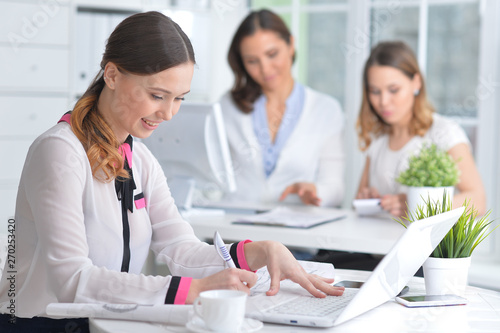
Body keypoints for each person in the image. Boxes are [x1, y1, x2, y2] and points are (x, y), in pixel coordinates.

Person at [0, 12, 344, 332]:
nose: (168, 113)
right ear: (112, 74)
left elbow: (181, 249)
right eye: (157, 95)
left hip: (109, 324)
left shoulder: (142, 160)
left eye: (179, 98)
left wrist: (259, 251)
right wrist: (193, 291)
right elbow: (74, 280)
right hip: (41, 324)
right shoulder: (59, 152)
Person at [220, 9, 345, 207]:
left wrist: (315, 191)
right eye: (252, 61)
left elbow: (336, 188)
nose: (265, 69)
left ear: (291, 45)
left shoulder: (326, 109)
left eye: (272, 54)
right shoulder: (227, 107)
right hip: (237, 228)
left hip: (295, 231)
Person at [356, 41, 486, 217]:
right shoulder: (378, 139)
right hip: (376, 242)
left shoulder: (443, 133)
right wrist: (367, 199)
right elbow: (357, 202)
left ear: (416, 83)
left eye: (393, 90)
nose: (383, 101)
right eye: (375, 91)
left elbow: (477, 201)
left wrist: (418, 205)